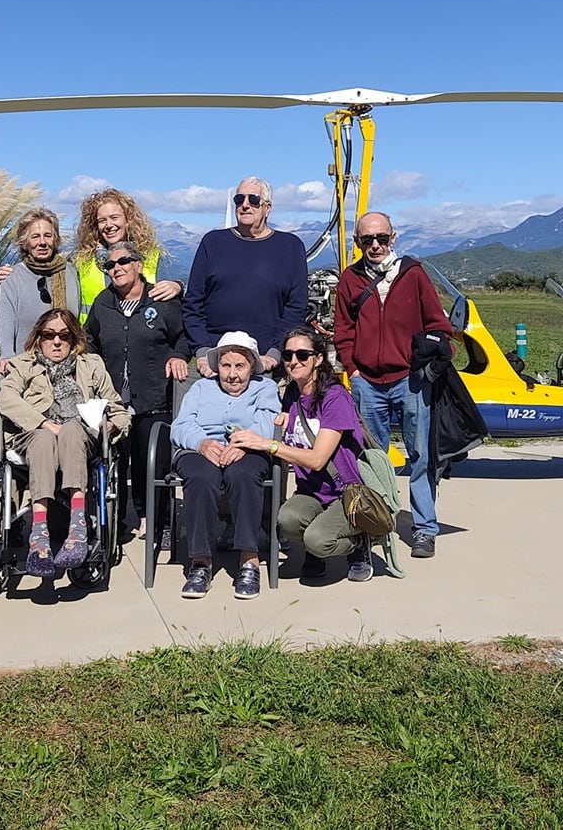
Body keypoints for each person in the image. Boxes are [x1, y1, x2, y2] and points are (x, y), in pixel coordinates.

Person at [333, 211, 454, 559]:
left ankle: (424, 528)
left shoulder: (414, 275)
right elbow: (344, 330)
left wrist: (434, 359)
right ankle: (375, 524)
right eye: (367, 240)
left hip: (410, 380)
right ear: (358, 242)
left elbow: (438, 323)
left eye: (381, 239)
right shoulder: (349, 280)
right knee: (371, 459)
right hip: (367, 382)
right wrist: (353, 368)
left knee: (420, 457)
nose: (374, 245)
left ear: (393, 238)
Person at [229, 325, 375, 584]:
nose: (294, 361)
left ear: (319, 359)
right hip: (311, 492)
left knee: (318, 540)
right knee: (286, 520)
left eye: (302, 355)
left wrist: (267, 444)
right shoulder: (293, 396)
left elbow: (318, 459)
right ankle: (315, 548)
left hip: (345, 493)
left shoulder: (335, 398)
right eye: (288, 356)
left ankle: (357, 543)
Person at [0, 307, 127, 577]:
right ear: (38, 338)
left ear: (74, 339)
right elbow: (6, 399)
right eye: (49, 335)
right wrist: (44, 422)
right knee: (45, 437)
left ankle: (77, 527)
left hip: (79, 435)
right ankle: (39, 533)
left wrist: (111, 425)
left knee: (70, 429)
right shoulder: (23, 365)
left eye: (64, 336)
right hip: (35, 433)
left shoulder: (91, 365)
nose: (56, 342)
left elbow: (118, 409)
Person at [83, 240, 191, 537]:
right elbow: (88, 338)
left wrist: (178, 356)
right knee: (113, 459)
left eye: (122, 262)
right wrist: (92, 366)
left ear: (138, 265)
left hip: (154, 396)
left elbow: (184, 336)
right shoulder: (103, 303)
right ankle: (115, 523)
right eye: (110, 265)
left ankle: (159, 522)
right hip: (114, 399)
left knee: (152, 463)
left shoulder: (161, 301)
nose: (115, 269)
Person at [169, 330, 280, 600]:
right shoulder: (200, 388)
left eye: (239, 366)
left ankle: (249, 559)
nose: (232, 374)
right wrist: (201, 443)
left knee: (243, 475)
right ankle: (200, 561)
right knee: (200, 478)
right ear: (217, 365)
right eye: (226, 365)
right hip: (201, 448)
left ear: (252, 366)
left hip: (248, 447)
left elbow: (267, 423)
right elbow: (180, 425)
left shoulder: (265, 388)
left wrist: (242, 443)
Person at [0, 189, 181, 325]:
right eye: (102, 220)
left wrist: (179, 286)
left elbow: (179, 301)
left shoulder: (151, 257)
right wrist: (15, 273)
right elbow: (47, 269)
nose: (109, 225)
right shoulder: (81, 260)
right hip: (92, 352)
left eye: (114, 218)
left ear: (128, 219)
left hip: (143, 353)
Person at [183, 178, 308, 375]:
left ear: (267, 208)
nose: (245, 205)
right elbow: (193, 303)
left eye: (254, 200)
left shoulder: (290, 247)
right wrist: (202, 352)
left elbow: (296, 307)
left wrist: (275, 353)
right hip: (216, 365)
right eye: (239, 199)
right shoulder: (213, 242)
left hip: (267, 364)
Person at [0, 207, 80, 374]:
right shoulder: (12, 278)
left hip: (66, 369)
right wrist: (6, 355)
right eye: (35, 236)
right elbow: (5, 324)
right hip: (25, 369)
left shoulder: (70, 273)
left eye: (48, 236)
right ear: (25, 242)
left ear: (55, 240)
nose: (42, 242)